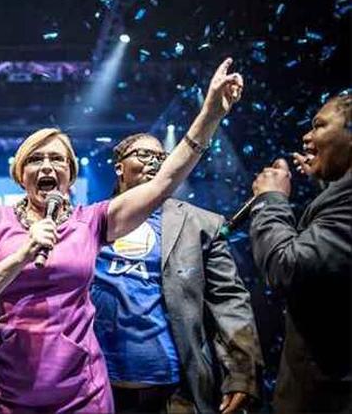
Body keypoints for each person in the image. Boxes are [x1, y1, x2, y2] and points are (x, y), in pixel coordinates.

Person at [0, 58, 245, 412]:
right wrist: (22, 255)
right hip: (4, 388)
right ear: (20, 174)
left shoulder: (91, 220)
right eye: (36, 159)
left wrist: (210, 114)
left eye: (58, 160)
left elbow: (165, 181)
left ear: (70, 174)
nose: (47, 166)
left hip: (80, 390)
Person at [91, 133, 262, 413]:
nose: (155, 162)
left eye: (161, 157)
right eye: (144, 155)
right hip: (96, 386)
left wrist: (243, 371)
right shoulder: (90, 220)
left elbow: (229, 300)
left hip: (175, 389)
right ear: (119, 166)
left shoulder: (202, 224)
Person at [250, 94, 352, 413]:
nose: (306, 137)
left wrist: (270, 200)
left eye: (319, 126)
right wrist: (325, 181)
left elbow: (288, 268)